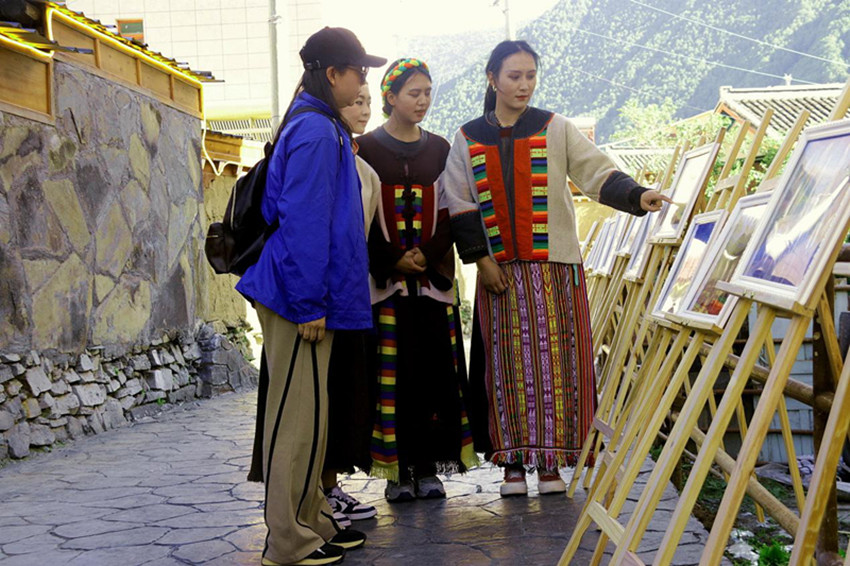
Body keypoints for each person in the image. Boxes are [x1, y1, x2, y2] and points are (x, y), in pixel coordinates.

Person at [441, 40, 670, 497]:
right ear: (492, 79)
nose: (524, 85)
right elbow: (459, 203)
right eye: (514, 76)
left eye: (530, 76)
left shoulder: (556, 127)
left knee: (557, 367)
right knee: (505, 369)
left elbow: (597, 172)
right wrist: (482, 260)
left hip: (555, 271)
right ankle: (512, 464)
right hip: (500, 274)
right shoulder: (467, 138)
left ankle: (552, 464)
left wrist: (637, 195)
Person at [235, 27, 385, 566]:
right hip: (299, 297)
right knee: (295, 421)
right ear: (333, 74)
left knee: (313, 418)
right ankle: (287, 542)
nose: (363, 81)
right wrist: (310, 304)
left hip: (311, 294)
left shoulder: (320, 125)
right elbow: (303, 222)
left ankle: (312, 522)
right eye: (358, 71)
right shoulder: (318, 131)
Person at [356, 58, 479, 502]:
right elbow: (359, 213)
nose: (423, 100)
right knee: (392, 377)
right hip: (386, 285)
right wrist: (392, 258)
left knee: (435, 375)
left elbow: (453, 208)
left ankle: (428, 469)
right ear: (390, 97)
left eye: (428, 92)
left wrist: (426, 254)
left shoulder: (440, 149)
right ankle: (398, 473)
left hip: (432, 284)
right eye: (414, 93)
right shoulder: (365, 149)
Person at [321, 83, 380, 526]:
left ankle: (330, 487)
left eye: (368, 102)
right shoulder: (318, 150)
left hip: (349, 299)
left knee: (341, 396)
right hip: (316, 301)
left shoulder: (365, 172)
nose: (363, 109)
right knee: (317, 400)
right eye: (356, 100)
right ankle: (313, 495)